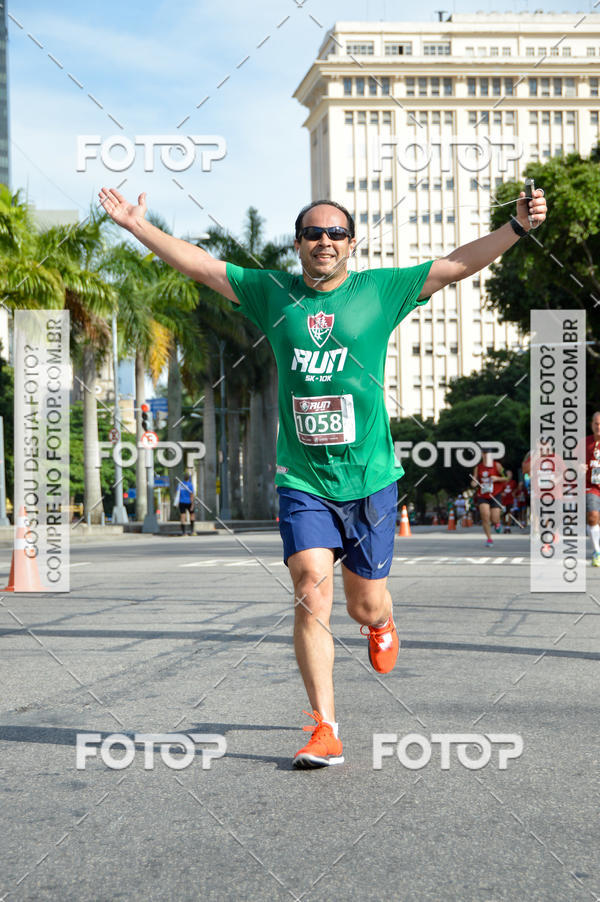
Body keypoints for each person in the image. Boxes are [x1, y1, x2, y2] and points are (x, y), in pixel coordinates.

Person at [98, 184, 546, 768]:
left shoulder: (381, 290)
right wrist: (138, 226)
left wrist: (516, 229)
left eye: (336, 233)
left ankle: (381, 622)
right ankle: (325, 727)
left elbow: (456, 264)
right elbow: (203, 266)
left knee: (362, 606)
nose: (325, 242)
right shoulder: (270, 291)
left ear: (352, 243)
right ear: (298, 243)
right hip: (303, 478)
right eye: (314, 233)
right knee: (310, 587)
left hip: (370, 477)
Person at [471, 453, 506, 546]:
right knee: (485, 516)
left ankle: (497, 523)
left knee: (495, 519)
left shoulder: (497, 465)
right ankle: (489, 539)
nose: (487, 456)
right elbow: (474, 479)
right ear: (482, 455)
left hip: (495, 494)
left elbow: (506, 477)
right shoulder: (478, 467)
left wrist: (497, 478)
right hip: (482, 495)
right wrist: (473, 483)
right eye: (485, 454)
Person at [585, 411, 600, 567]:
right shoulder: (584, 443)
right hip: (591, 486)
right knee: (592, 517)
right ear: (592, 425)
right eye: (596, 423)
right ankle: (597, 552)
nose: (598, 427)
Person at [499, 468, 518, 533]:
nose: (509, 475)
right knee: (504, 514)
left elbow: (516, 489)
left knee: (510, 513)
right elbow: (499, 490)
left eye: (510, 474)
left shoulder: (513, 482)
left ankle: (508, 527)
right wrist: (502, 493)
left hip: (510, 500)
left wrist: (514, 493)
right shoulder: (503, 482)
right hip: (504, 500)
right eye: (508, 474)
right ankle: (504, 526)